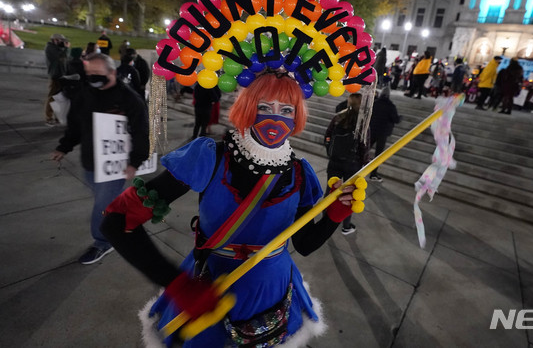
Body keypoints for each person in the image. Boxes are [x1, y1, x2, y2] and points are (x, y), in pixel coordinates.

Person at [100, 73, 363, 347]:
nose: (276, 119)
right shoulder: (209, 156)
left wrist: (334, 215)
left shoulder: (300, 173)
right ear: (248, 107)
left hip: (274, 289)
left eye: (286, 110)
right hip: (211, 284)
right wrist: (180, 286)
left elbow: (305, 244)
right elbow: (116, 222)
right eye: (264, 107)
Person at [51, 53, 149, 265]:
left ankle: (103, 242)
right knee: (105, 201)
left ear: (112, 73)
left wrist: (134, 162)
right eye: (89, 73)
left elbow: (141, 133)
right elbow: (75, 125)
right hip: (89, 162)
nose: (93, 77)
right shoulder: (85, 94)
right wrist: (64, 147)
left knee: (102, 205)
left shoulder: (130, 100)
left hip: (115, 167)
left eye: (98, 73)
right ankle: (118, 219)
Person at [324, 93, 370, 235]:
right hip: (352, 164)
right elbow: (365, 146)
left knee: (330, 191)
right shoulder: (363, 122)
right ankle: (346, 225)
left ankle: (325, 221)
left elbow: (327, 137)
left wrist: (330, 153)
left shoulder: (338, 117)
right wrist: (363, 163)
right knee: (349, 196)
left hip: (335, 161)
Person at [368, 85, 400, 182]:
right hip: (383, 133)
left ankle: (357, 167)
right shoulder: (391, 106)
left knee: (365, 150)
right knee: (378, 155)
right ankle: (373, 174)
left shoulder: (375, 103)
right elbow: (396, 119)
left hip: (372, 130)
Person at [44, 33, 69, 126]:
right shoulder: (50, 48)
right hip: (55, 76)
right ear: (55, 40)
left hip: (61, 75)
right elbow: (60, 57)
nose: (62, 42)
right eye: (60, 41)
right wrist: (66, 48)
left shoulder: (57, 48)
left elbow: (65, 59)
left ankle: (57, 116)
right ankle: (48, 117)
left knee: (59, 98)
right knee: (51, 98)